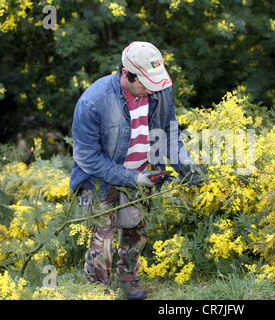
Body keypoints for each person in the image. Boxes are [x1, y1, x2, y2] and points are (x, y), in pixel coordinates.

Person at [69, 41, 202, 300]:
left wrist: (184, 163)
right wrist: (133, 178)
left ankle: (129, 278)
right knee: (102, 244)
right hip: (99, 179)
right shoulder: (93, 102)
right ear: (125, 73)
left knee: (136, 234)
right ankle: (98, 291)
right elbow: (87, 158)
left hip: (143, 171)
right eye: (144, 82)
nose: (151, 89)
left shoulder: (160, 92)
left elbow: (169, 134)